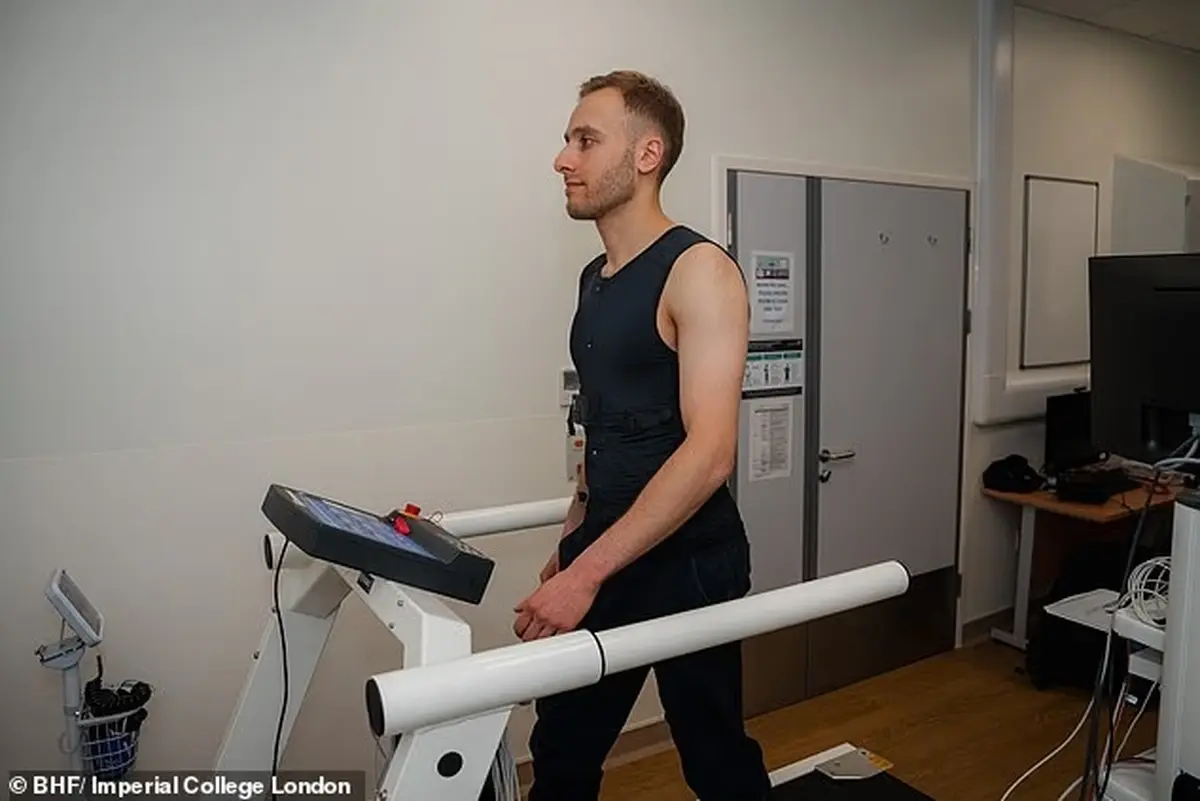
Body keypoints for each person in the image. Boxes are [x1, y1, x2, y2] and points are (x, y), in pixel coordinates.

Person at [511, 70, 772, 801]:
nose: (564, 158)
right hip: (608, 554)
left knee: (712, 751)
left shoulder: (699, 272)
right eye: (567, 141)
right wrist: (571, 540)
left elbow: (711, 452)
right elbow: (602, 430)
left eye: (585, 140)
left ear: (648, 153)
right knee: (561, 747)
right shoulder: (594, 278)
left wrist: (584, 572)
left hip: (691, 562)